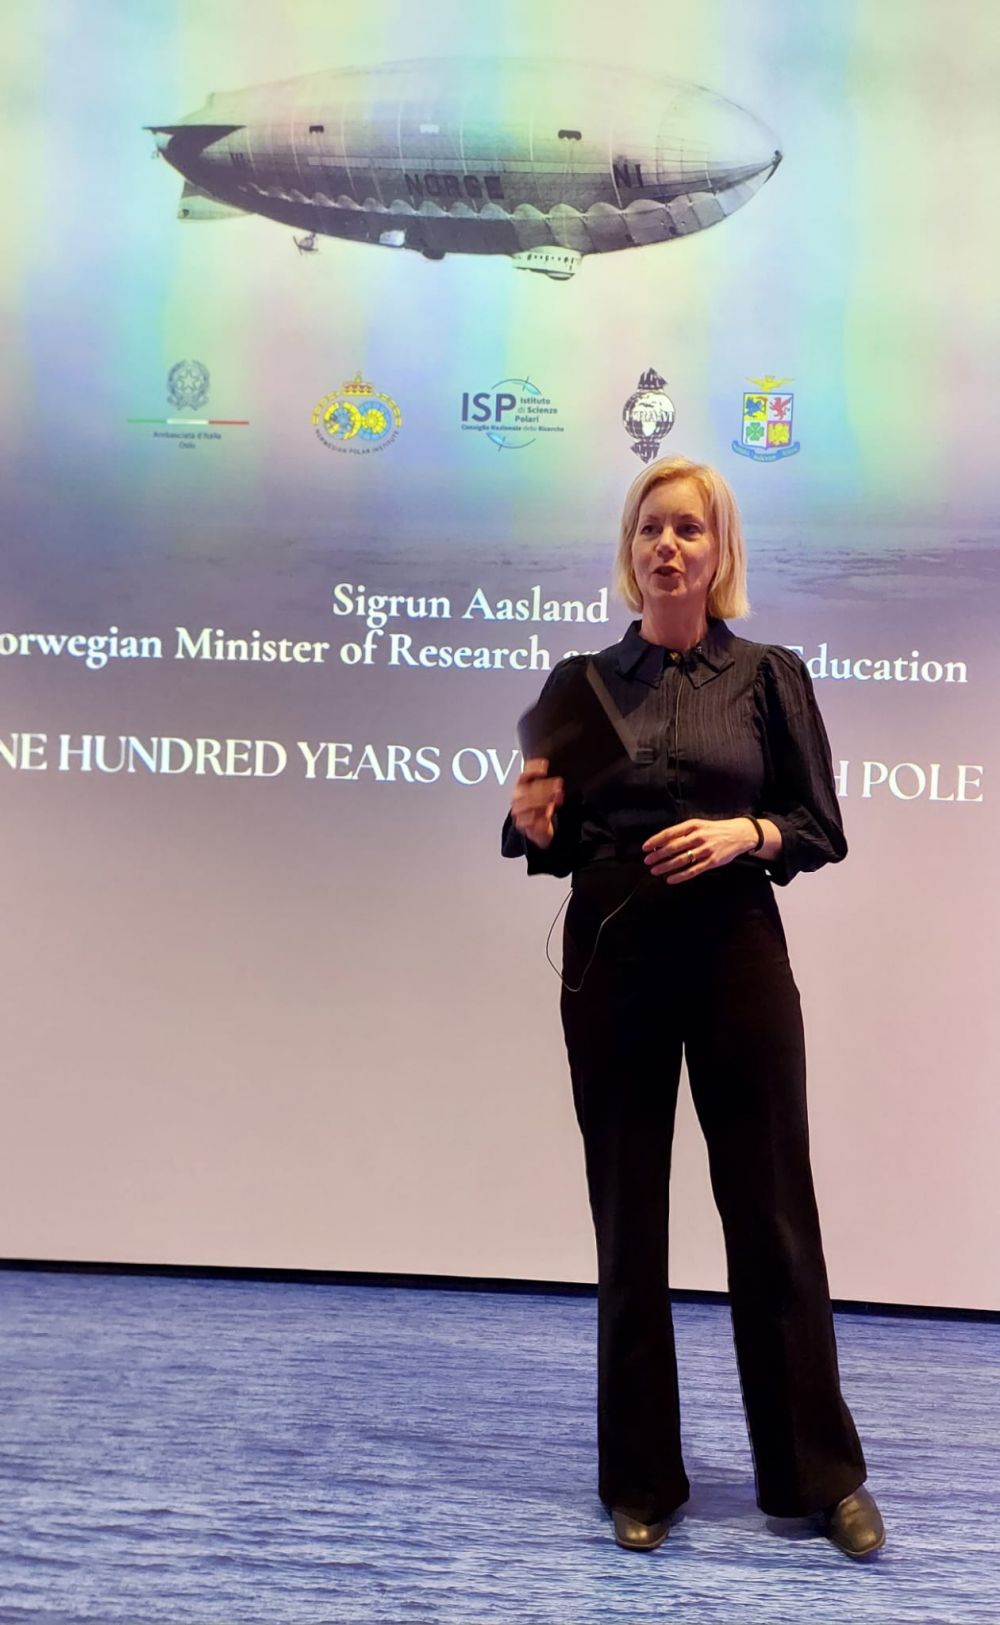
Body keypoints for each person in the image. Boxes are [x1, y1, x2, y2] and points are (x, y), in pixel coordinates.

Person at [502, 456, 884, 1559]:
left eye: (688, 529)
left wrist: (743, 833)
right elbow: (547, 839)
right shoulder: (582, 682)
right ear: (630, 552)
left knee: (772, 1212)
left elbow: (819, 825)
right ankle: (640, 1477)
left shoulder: (767, 676)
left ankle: (817, 1476)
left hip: (734, 955)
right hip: (613, 958)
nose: (667, 546)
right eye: (649, 529)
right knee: (628, 1217)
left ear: (719, 553)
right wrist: (532, 823)